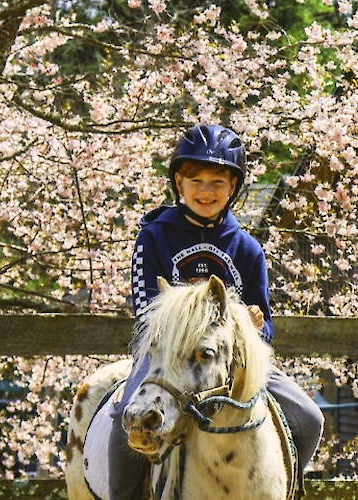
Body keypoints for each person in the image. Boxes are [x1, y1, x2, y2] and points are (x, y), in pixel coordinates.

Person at [101, 123, 323, 500]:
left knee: (309, 418)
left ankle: (284, 487)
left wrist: (254, 325)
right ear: (178, 183)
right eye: (196, 180)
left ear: (233, 187)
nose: (206, 191)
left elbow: (265, 326)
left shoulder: (249, 249)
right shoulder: (154, 237)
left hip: (231, 364)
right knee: (126, 416)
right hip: (166, 358)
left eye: (217, 182)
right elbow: (145, 316)